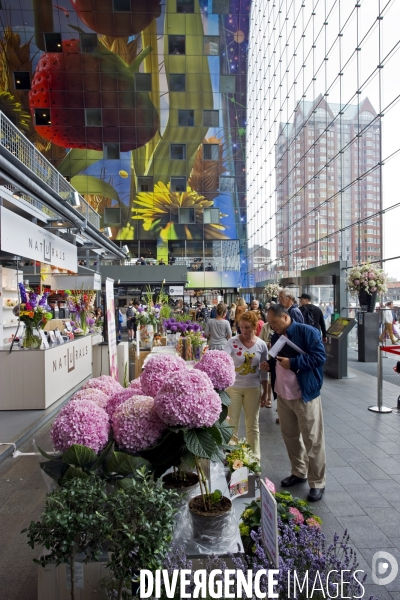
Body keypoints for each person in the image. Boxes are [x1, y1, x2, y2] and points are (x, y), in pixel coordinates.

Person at [261, 304, 327, 502]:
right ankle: (299, 472)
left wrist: (295, 363)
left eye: (274, 322)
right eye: (270, 323)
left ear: (286, 317)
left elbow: (320, 357)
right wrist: (269, 364)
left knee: (312, 440)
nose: (272, 327)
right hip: (283, 394)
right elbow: (277, 358)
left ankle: (318, 482)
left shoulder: (308, 332)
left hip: (304, 394)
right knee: (290, 437)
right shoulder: (276, 336)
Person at [224, 311, 268, 461]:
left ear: (255, 327)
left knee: (252, 424)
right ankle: (231, 455)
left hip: (253, 387)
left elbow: (264, 372)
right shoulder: (232, 342)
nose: (244, 331)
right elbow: (223, 360)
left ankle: (255, 457)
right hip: (234, 387)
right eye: (241, 327)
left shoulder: (261, 345)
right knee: (232, 423)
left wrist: (266, 392)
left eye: (248, 327)